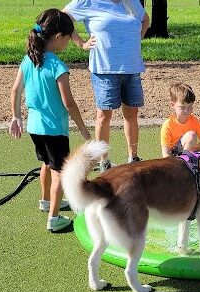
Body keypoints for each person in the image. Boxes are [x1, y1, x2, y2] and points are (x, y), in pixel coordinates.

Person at [9, 9, 91, 232]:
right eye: (67, 38)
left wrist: (16, 117)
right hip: (54, 129)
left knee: (46, 163)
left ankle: (46, 202)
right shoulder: (57, 67)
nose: (68, 42)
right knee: (61, 173)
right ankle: (54, 219)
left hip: (35, 128)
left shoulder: (29, 59)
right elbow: (69, 104)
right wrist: (83, 128)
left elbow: (15, 91)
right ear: (58, 37)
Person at [64, 0, 150, 170]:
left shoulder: (131, 2)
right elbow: (63, 18)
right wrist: (82, 43)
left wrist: (136, 37)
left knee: (132, 113)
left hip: (132, 67)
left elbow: (145, 19)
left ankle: (133, 158)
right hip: (104, 68)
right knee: (104, 115)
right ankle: (104, 161)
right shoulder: (88, 2)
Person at [159, 83, 200, 157]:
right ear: (172, 105)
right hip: (173, 160)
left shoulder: (195, 121)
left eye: (190, 106)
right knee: (191, 135)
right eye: (182, 107)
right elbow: (165, 154)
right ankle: (185, 162)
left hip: (190, 156)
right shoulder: (168, 125)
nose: (186, 110)